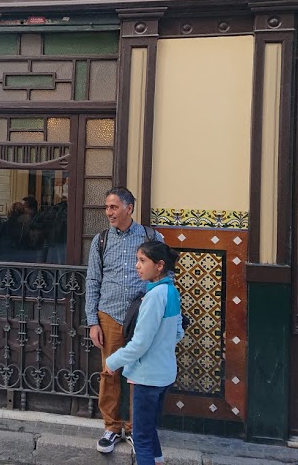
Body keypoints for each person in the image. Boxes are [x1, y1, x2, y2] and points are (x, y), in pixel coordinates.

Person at [85, 187, 164, 453]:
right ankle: (111, 427)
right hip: (109, 314)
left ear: (129, 208)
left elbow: (165, 278)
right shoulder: (101, 240)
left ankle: (134, 428)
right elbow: (93, 280)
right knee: (109, 372)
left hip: (142, 319)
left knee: (139, 374)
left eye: (114, 207)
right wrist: (92, 321)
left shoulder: (152, 238)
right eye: (107, 207)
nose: (109, 213)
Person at [105, 240, 183, 465]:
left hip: (147, 377)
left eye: (142, 260)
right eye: (137, 260)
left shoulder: (154, 296)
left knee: (141, 438)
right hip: (165, 373)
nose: (137, 266)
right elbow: (178, 332)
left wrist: (112, 361)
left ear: (159, 265)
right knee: (149, 431)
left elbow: (140, 344)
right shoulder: (171, 291)